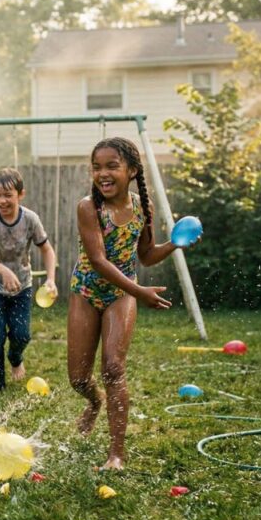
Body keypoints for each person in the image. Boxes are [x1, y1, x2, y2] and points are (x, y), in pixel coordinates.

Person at [67, 137, 192, 471]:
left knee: (112, 367)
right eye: (97, 167)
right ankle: (95, 403)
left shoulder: (141, 209)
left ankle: (116, 454)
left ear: (132, 170)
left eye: (111, 166)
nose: (102, 174)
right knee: (78, 379)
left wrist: (175, 244)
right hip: (87, 290)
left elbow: (147, 256)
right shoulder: (88, 207)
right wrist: (141, 291)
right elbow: (97, 260)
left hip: (121, 295)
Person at [0, 168, 57, 394]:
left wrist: (50, 279)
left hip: (22, 285)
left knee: (21, 334)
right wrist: (3, 271)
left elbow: (48, 250)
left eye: (8, 195)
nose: (2, 200)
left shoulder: (30, 219)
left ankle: (15, 356)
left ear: (21, 194)